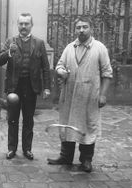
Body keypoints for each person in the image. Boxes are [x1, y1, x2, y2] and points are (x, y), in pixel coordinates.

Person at [47, 16, 113, 172]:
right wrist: (61, 71)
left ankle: (86, 160)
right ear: (74, 29)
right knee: (67, 125)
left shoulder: (99, 48)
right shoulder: (69, 47)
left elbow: (107, 74)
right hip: (69, 95)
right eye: (78, 27)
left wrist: (103, 95)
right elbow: (59, 66)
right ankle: (66, 157)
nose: (81, 30)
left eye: (85, 27)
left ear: (91, 29)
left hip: (90, 96)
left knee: (88, 126)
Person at [0, 13, 51, 160]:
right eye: (21, 23)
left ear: (31, 25)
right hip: (14, 86)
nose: (24, 26)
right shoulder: (10, 41)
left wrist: (47, 87)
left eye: (26, 23)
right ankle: (11, 149)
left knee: (28, 119)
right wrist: (8, 52)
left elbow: (45, 67)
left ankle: (27, 149)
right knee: (12, 119)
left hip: (31, 87)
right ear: (18, 25)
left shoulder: (39, 43)